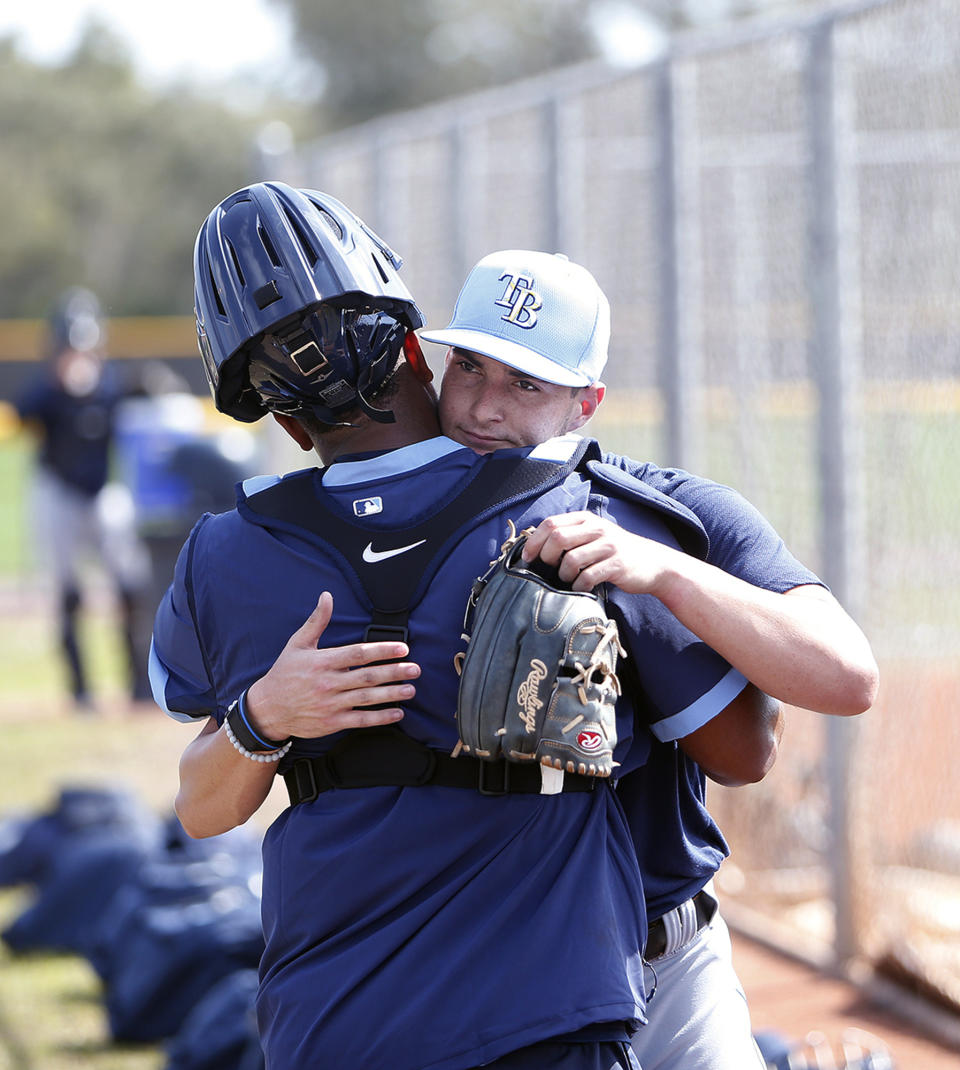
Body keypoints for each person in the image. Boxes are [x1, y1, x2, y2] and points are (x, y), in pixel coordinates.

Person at [150, 183, 769, 1070]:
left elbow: (203, 809)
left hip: (332, 1025)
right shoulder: (582, 515)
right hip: (551, 1014)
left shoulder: (226, 558)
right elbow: (746, 751)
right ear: (417, 346)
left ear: (279, 419)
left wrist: (260, 719)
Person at [419, 248, 880, 1070]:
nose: (484, 406)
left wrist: (664, 573)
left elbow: (846, 677)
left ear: (584, 404)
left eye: (525, 383)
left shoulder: (672, 512)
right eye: (471, 367)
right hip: (483, 964)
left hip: (664, 958)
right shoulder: (394, 524)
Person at [16, 287, 152, 709]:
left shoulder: (112, 388)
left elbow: (149, 395)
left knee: (129, 582)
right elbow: (23, 411)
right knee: (67, 589)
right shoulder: (45, 396)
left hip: (101, 493)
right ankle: (80, 689)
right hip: (57, 492)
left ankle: (137, 683)